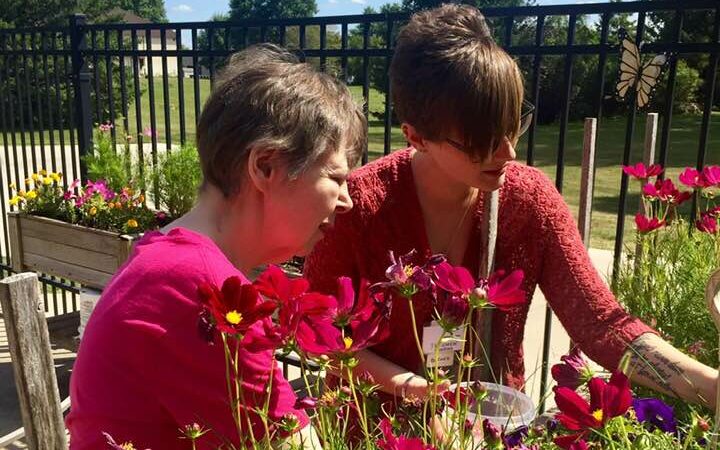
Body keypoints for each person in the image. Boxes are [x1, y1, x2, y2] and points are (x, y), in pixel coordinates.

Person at [304, 4, 717, 409]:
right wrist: (411, 388)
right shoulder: (357, 206)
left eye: (513, 123)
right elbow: (314, 328)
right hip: (374, 426)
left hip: (492, 426)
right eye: (481, 139)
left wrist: (711, 387)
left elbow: (599, 322)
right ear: (416, 136)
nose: (508, 150)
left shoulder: (529, 200)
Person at [67, 44, 365, 450]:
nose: (347, 200)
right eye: (335, 176)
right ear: (265, 167)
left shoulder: (170, 256)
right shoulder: (199, 285)